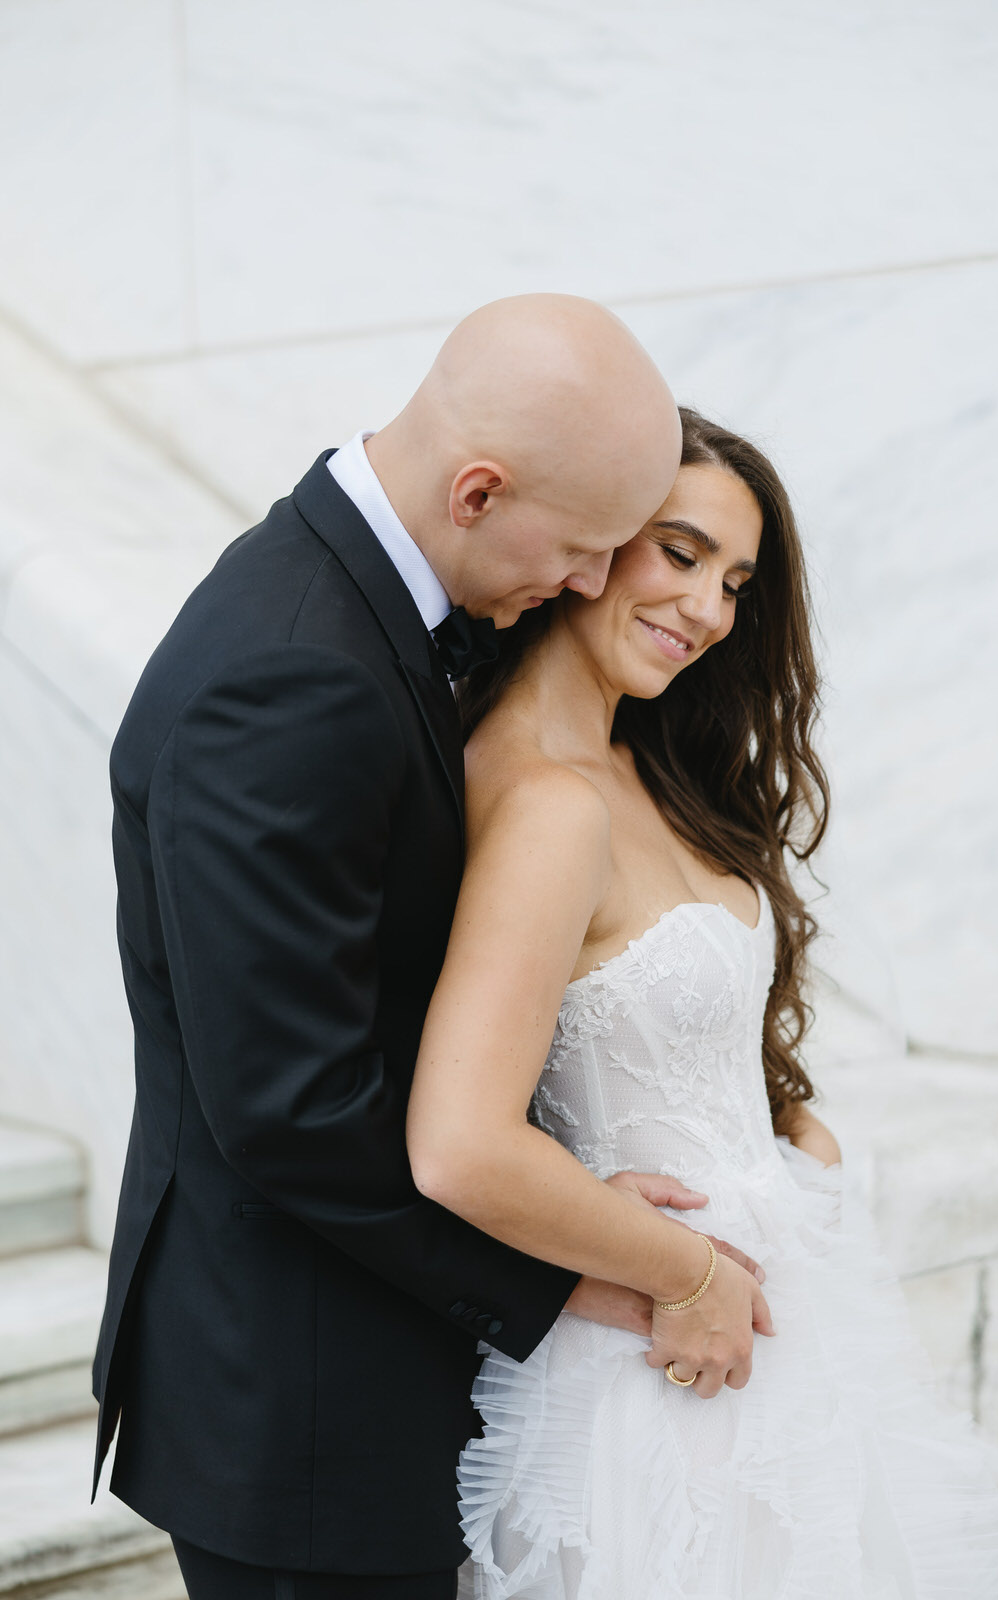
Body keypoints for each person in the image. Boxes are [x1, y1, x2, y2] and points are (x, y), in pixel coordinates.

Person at [90, 295, 770, 1600]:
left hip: (359, 1370)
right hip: (299, 1407)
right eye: (581, 548)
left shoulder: (348, 601)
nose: (586, 584)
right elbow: (292, 1110)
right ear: (476, 489)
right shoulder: (291, 674)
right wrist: (586, 1264)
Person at [407, 407, 998, 1597]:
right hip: (658, 1360)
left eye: (735, 581)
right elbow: (464, 1140)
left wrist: (779, 1129)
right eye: (679, 554)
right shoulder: (541, 801)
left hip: (770, 1318)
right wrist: (687, 1272)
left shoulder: (641, 762)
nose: (707, 609)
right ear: (589, 544)